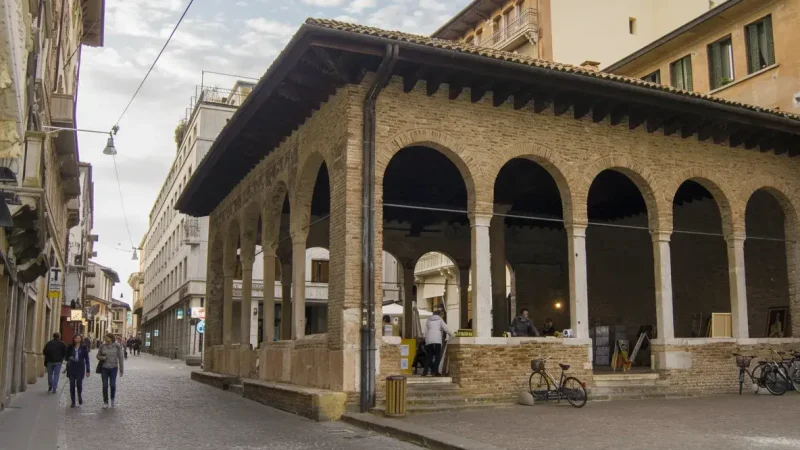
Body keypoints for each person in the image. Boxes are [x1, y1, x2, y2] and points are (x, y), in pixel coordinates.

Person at [97, 333, 124, 408]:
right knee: (105, 385)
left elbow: (121, 358)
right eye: (105, 338)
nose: (106, 339)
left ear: (111, 339)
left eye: (107, 338)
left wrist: (121, 370)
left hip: (113, 368)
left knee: (112, 385)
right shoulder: (102, 346)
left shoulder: (117, 346)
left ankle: (112, 399)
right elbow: (98, 356)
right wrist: (103, 358)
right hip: (104, 368)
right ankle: (105, 402)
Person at [423, 309, 453, 377]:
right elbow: (446, 328)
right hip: (437, 341)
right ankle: (436, 372)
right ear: (440, 314)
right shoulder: (440, 320)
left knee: (429, 356)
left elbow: (425, 332)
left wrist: (426, 341)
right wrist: (452, 335)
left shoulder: (428, 320)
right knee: (437, 356)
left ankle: (425, 372)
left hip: (429, 341)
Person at [65, 334, 91, 407]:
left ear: (81, 339)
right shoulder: (70, 347)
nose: (77, 339)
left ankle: (79, 395)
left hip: (80, 368)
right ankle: (73, 401)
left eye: (79, 338)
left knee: (79, 384)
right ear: (74, 339)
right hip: (71, 368)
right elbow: (66, 357)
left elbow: (87, 359)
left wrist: (88, 370)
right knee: (72, 385)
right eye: (76, 338)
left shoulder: (83, 347)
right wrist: (70, 358)